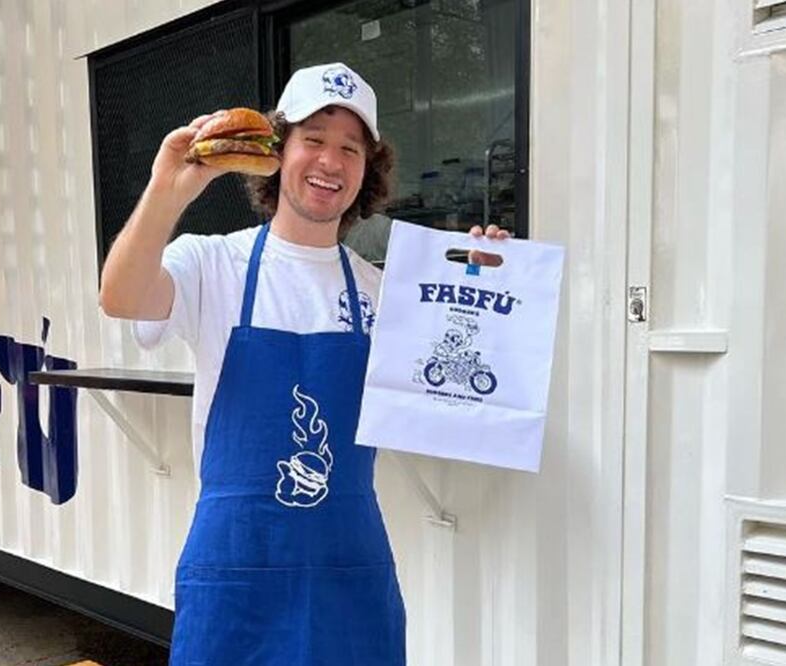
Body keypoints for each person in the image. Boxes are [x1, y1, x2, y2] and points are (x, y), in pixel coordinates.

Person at [99, 62, 509, 665]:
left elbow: (459, 391)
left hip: (350, 571)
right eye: (313, 139)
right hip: (236, 569)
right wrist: (169, 188)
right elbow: (122, 297)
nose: (330, 161)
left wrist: (488, 286)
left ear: (367, 170)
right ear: (277, 149)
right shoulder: (212, 263)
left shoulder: (381, 293)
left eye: (350, 148)